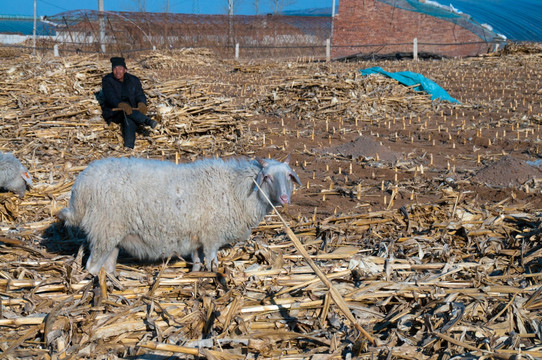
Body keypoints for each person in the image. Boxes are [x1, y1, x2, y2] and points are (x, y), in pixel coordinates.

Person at [101, 57, 157, 149]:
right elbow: (110, 97)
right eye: (114, 69)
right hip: (115, 112)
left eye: (120, 68)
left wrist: (141, 103)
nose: (117, 71)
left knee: (129, 116)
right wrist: (120, 104)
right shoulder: (107, 80)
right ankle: (146, 121)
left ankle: (129, 147)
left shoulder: (133, 80)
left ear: (125, 69)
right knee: (126, 113)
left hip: (132, 111)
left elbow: (139, 94)